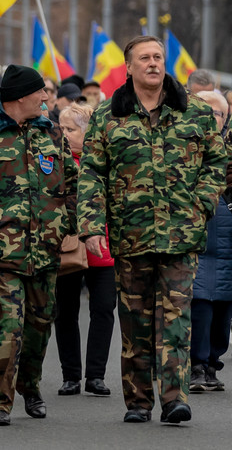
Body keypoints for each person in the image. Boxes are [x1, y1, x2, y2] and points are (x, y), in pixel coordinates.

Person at [78, 35, 227, 424]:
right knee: (136, 322)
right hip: (131, 235)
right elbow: (92, 173)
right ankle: (139, 401)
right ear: (128, 66)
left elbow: (218, 162)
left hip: (182, 235)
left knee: (176, 318)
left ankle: (175, 398)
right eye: (144, 58)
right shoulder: (109, 115)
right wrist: (92, 224)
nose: (153, 63)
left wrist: (202, 203)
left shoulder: (193, 112)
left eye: (158, 57)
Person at [0, 65, 78, 426]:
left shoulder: (51, 133)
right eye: (40, 92)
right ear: (19, 97)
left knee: (39, 326)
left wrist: (66, 224)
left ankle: (31, 385)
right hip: (0, 252)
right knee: (7, 325)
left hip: (46, 250)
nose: (46, 98)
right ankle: (0, 400)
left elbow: (71, 183)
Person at [53, 102, 115, 398]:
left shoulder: (104, 160)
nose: (63, 134)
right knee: (66, 311)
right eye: (61, 128)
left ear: (87, 131)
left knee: (103, 309)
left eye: (70, 129)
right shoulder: (53, 159)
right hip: (68, 246)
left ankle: (96, 375)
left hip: (102, 246)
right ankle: (71, 376)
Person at [191, 90, 232, 393]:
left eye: (219, 113)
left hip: (227, 241)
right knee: (200, 303)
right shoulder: (186, 146)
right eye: (208, 111)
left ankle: (213, 363)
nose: (213, 118)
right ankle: (196, 364)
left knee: (223, 308)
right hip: (199, 239)